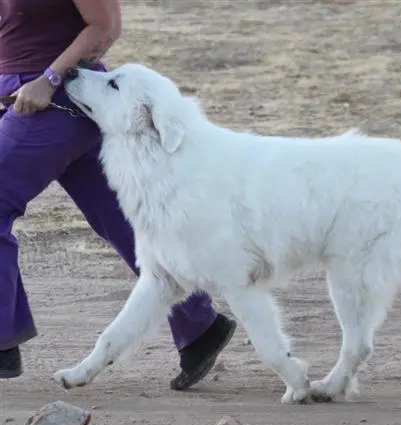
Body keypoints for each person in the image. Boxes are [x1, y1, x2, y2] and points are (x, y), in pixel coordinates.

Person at [0, 0, 237, 390]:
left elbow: (105, 27)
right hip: (23, 94)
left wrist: (48, 79)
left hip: (61, 98)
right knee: (126, 223)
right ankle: (199, 324)